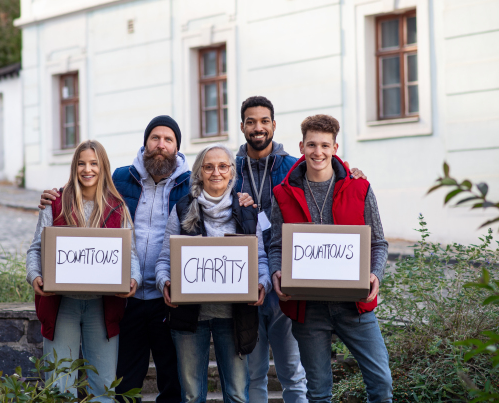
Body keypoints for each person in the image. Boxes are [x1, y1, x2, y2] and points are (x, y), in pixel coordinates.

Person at [38, 115, 255, 402]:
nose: (160, 145)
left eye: (168, 140)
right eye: (155, 138)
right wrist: (54, 195)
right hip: (126, 297)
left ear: (177, 147)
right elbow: (88, 192)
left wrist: (244, 199)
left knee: (173, 381)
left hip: (169, 299)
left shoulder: (188, 186)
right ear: (145, 143)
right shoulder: (120, 178)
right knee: (126, 380)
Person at [235, 96, 366, 402]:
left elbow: (327, 171)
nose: (258, 128)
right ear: (243, 126)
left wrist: (351, 171)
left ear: (273, 125)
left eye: (264, 121)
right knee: (254, 373)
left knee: (292, 372)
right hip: (247, 280)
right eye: (251, 122)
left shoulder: (292, 165)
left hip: (288, 278)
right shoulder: (231, 169)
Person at [269, 114, 393, 402]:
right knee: (319, 392)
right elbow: (276, 245)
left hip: (355, 305)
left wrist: (375, 273)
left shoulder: (359, 188)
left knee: (381, 383)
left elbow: (378, 242)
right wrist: (276, 272)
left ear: (335, 148)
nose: (318, 152)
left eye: (325, 145)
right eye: (312, 145)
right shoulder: (282, 194)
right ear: (301, 147)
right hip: (307, 308)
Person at [154, 144, 272, 403]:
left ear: (232, 172)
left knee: (238, 394)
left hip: (234, 317)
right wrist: (165, 282)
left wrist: (263, 283)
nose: (215, 172)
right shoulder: (182, 208)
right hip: (189, 317)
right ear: (199, 173)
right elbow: (165, 258)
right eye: (208, 167)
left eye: (222, 166)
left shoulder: (247, 210)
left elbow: (261, 259)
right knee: (192, 395)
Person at [26, 140, 142, 402]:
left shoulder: (117, 207)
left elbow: (130, 254)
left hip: (103, 307)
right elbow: (35, 249)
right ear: (74, 167)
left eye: (93, 163)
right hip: (62, 304)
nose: (87, 169)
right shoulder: (55, 204)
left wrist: (134, 279)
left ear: (103, 167)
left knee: (103, 388)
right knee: (59, 385)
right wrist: (34, 275)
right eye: (81, 163)